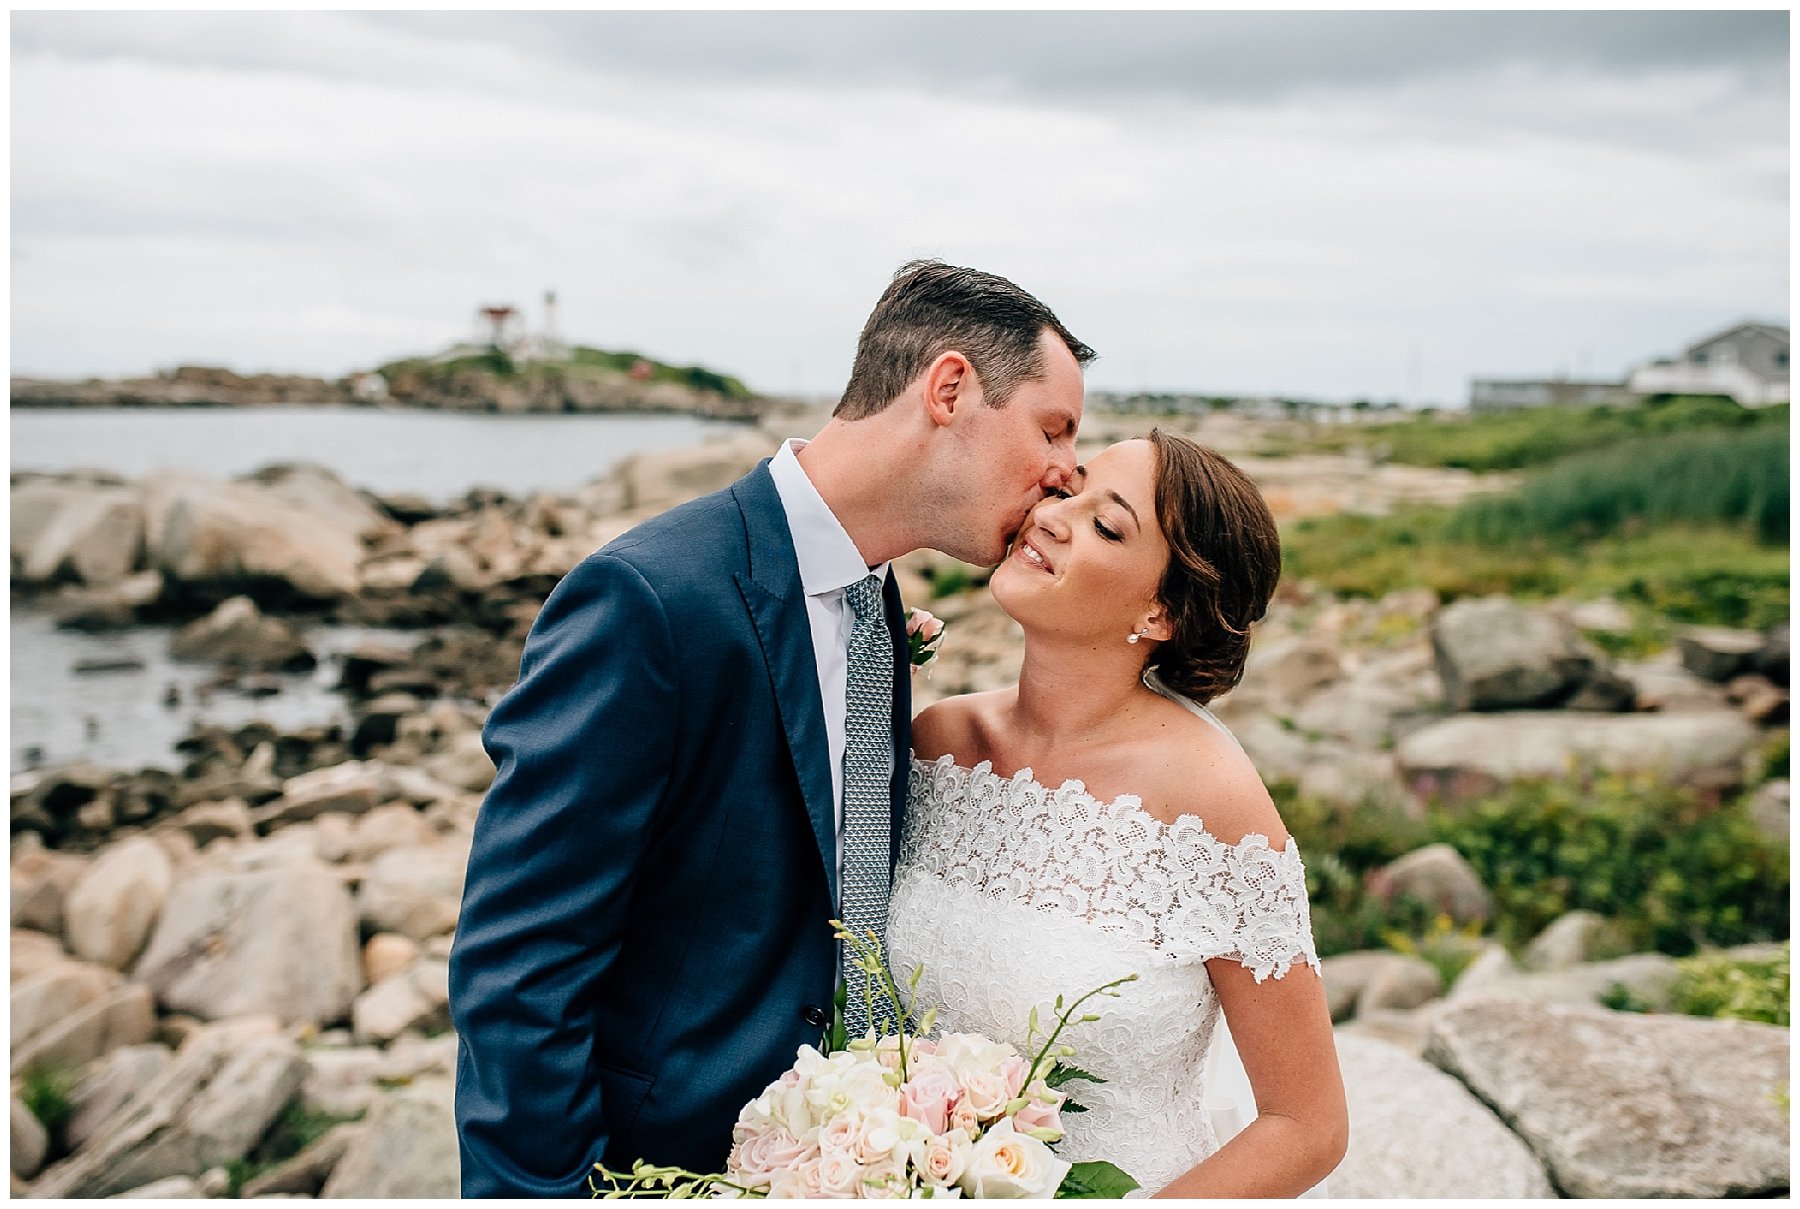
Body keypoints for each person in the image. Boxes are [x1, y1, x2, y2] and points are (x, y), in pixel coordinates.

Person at [448, 260, 1096, 1197]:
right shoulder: (650, 598)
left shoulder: (877, 598)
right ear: (949, 389)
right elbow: (520, 965)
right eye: (1054, 428)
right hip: (649, 1166)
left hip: (833, 1160)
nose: (1067, 471)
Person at [887, 430, 1348, 1198]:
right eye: (1070, 490)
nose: (1053, 518)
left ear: (1162, 613)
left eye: (1108, 525)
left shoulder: (1213, 808)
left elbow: (1308, 1126)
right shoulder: (939, 743)